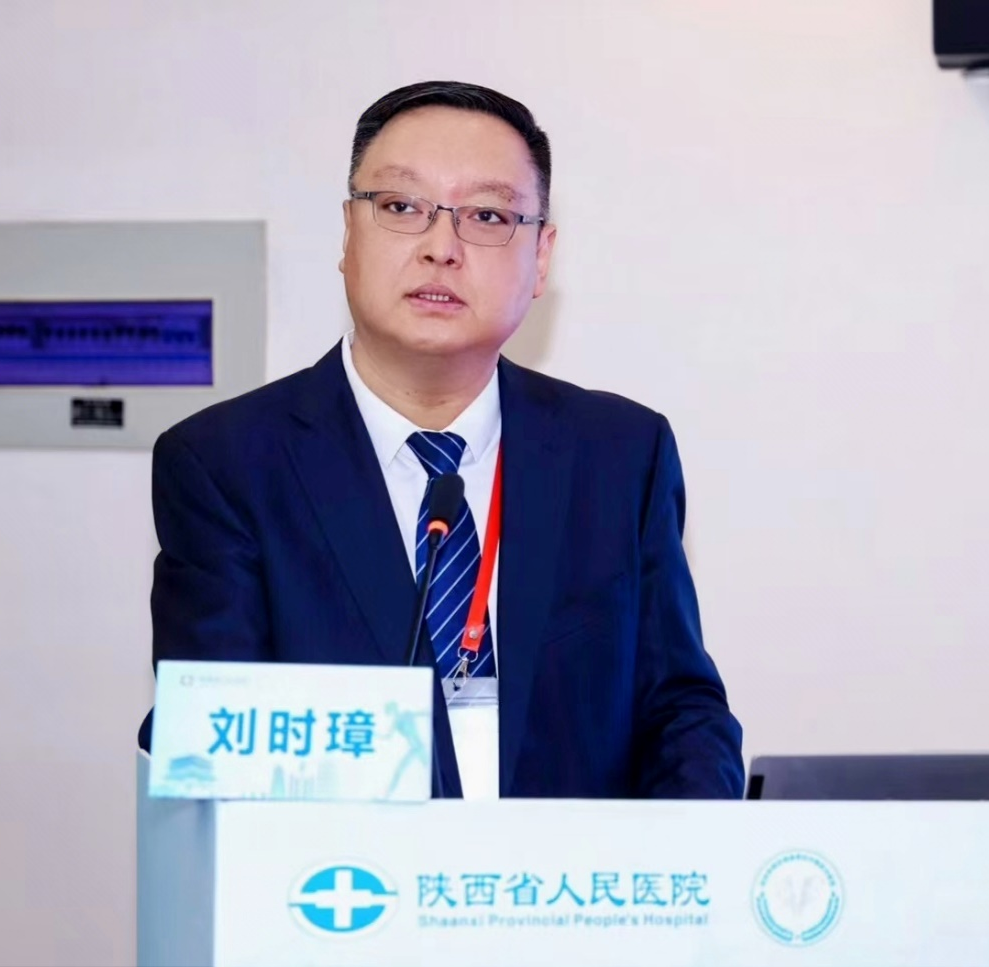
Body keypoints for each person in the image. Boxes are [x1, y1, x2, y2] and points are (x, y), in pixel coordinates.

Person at [137, 80, 743, 799]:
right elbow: (216, 745)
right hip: (340, 871)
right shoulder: (226, 465)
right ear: (348, 234)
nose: (441, 248)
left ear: (541, 257)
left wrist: (682, 856)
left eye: (487, 215)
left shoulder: (620, 455)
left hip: (567, 874)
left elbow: (679, 711)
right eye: (401, 207)